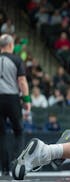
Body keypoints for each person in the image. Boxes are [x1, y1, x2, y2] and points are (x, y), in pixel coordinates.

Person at [0, 34, 31, 176]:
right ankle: (16, 163)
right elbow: (22, 81)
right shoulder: (16, 60)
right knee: (18, 131)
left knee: (1, 134)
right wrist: (26, 100)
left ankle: (4, 169)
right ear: (11, 45)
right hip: (12, 99)